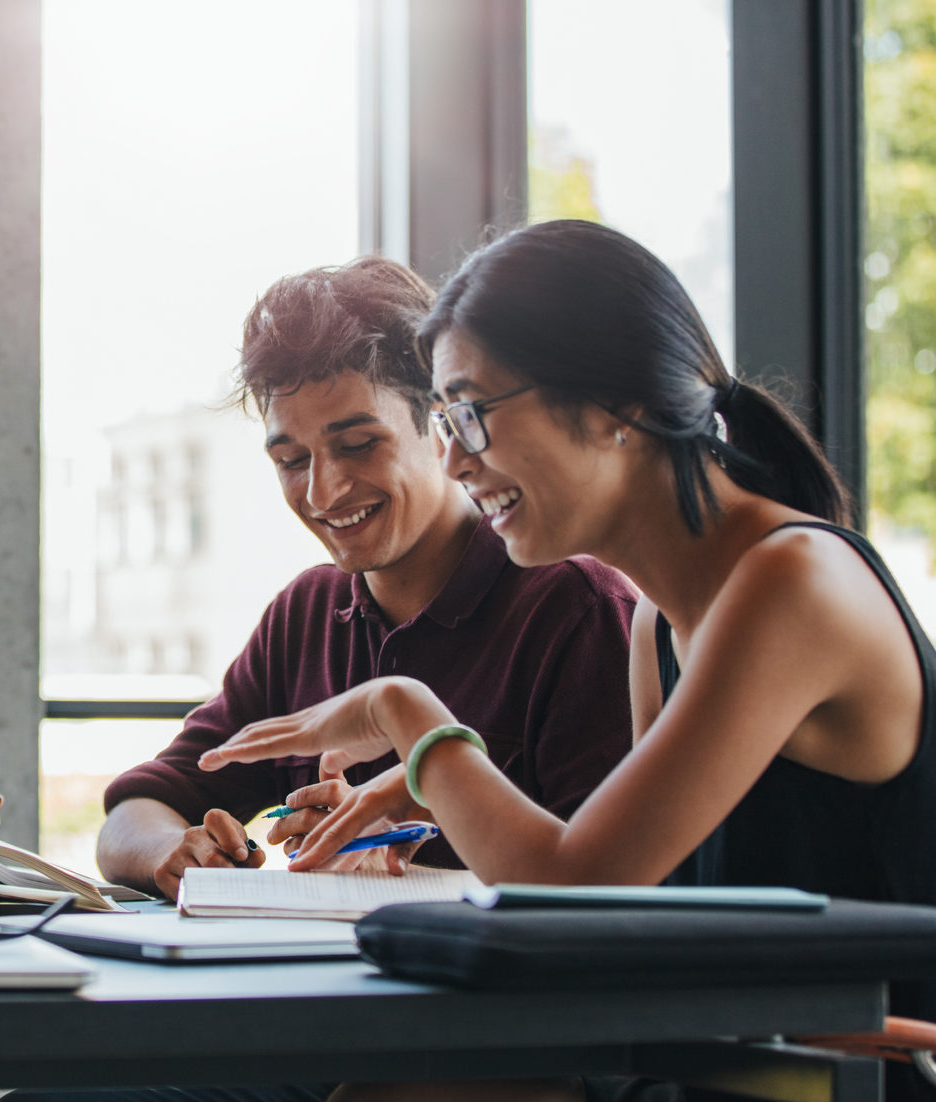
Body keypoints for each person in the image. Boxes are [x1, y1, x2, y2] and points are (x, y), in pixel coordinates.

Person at [200, 220, 936, 1102]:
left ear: (613, 406)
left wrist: (408, 718)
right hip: (736, 1068)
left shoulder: (790, 583)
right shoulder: (657, 625)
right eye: (443, 419)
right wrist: (426, 788)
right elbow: (623, 920)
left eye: (470, 411)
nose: (456, 456)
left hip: (854, 1078)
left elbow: (575, 886)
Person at [97, 256, 637, 901]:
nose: (322, 491)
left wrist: (414, 824)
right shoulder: (306, 614)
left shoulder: (575, 608)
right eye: (292, 460)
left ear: (442, 426)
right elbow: (136, 811)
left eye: (357, 446)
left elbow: (608, 884)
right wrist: (175, 852)